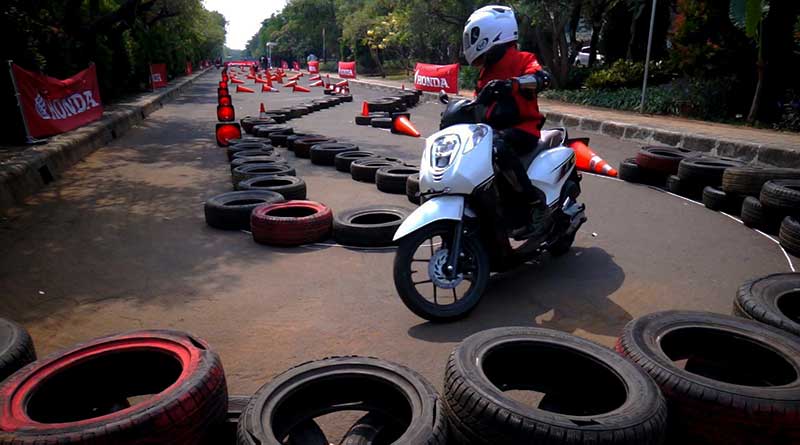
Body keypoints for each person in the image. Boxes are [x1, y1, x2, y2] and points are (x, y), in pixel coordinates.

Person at [463, 5, 552, 239]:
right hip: (492, 131)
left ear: (492, 33)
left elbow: (542, 78)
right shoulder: (487, 71)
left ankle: (534, 204)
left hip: (523, 129)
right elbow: (479, 102)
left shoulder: (523, 59)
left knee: (497, 149)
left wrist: (514, 84)